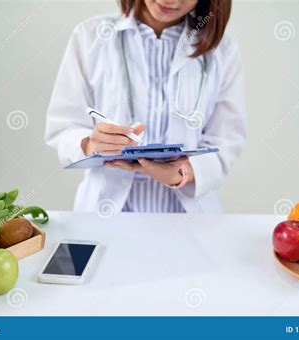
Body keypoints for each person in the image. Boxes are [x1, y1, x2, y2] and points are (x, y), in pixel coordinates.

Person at [45, 0, 246, 213]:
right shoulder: (90, 36)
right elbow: (63, 126)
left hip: (188, 219)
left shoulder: (222, 51)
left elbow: (226, 139)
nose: (171, 1)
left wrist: (182, 172)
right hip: (106, 216)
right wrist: (90, 144)